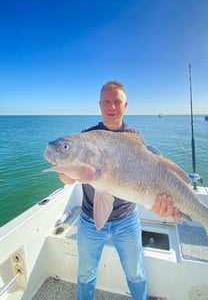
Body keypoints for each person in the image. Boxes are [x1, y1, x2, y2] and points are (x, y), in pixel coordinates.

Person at [59, 81, 181, 300]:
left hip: (127, 220)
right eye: (107, 101)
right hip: (89, 220)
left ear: (125, 105)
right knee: (86, 274)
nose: (112, 106)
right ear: (99, 104)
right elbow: (67, 178)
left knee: (135, 273)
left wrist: (163, 208)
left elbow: (159, 172)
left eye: (117, 102)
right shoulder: (87, 137)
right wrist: (66, 171)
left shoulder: (136, 139)